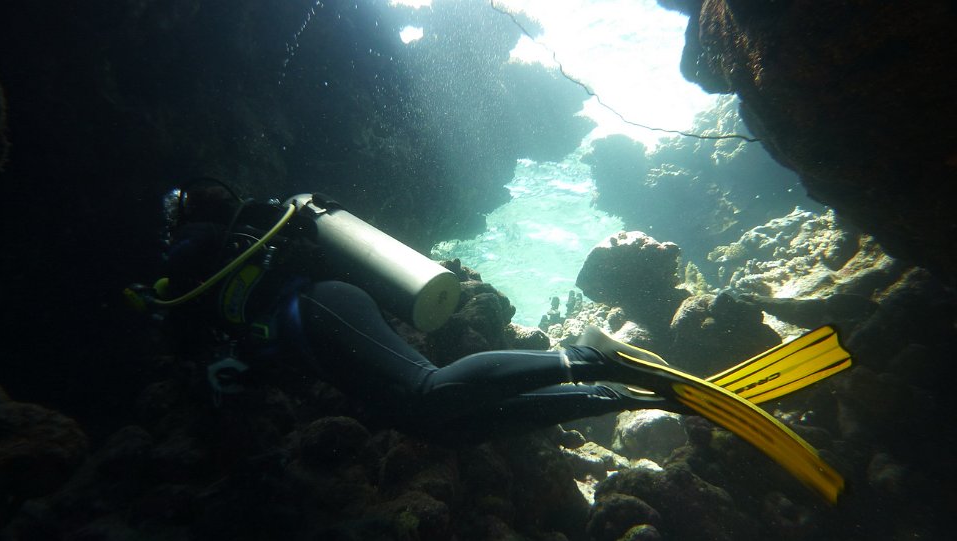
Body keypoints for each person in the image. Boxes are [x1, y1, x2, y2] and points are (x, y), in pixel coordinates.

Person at [126, 178, 851, 502]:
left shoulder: (195, 247)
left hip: (321, 311)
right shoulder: (230, 255)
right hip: (314, 327)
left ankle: (588, 356)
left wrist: (154, 303)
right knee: (439, 425)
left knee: (427, 391)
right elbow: (246, 337)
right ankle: (624, 392)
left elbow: (182, 305)